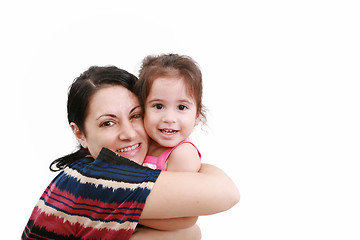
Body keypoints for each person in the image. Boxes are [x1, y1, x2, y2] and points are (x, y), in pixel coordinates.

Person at [22, 66, 239, 240]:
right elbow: (226, 194)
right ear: (80, 133)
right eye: (108, 123)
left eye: (135, 116)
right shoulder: (100, 179)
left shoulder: (81, 172)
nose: (128, 134)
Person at [136, 54, 204, 173]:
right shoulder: (139, 143)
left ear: (197, 116)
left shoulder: (183, 154)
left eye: (181, 107)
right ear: (142, 109)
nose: (169, 118)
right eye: (158, 106)